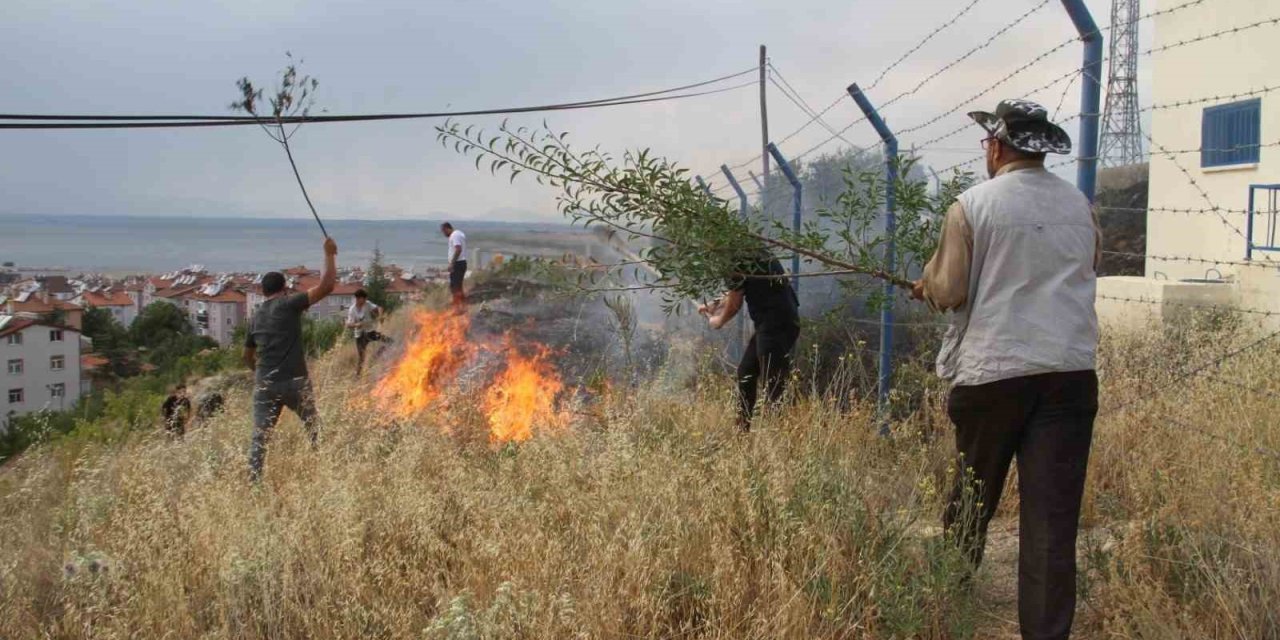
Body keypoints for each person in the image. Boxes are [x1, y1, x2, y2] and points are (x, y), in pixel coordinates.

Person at [910, 99, 1101, 640]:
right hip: (1068, 374)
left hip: (994, 372)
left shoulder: (973, 204)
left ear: (996, 146)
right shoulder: (1080, 205)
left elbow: (948, 291)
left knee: (974, 496)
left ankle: (948, 598)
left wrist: (928, 282)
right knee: (1050, 520)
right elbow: (1088, 268)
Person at [243, 237, 338, 482]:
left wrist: (260, 374)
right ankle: (325, 473)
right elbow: (327, 286)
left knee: (259, 438)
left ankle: (254, 484)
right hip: (295, 380)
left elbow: (247, 356)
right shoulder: (288, 304)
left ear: (264, 292)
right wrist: (329, 254)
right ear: (284, 289)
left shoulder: (254, 318)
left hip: (265, 383)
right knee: (314, 428)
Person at [698, 252, 800, 432]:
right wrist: (715, 305)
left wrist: (719, 320)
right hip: (773, 323)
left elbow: (736, 300)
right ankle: (741, 432)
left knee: (773, 383)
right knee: (746, 372)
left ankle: (778, 438)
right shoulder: (745, 251)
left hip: (776, 323)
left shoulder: (734, 257)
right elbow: (738, 287)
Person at [345, 288, 382, 375]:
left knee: (387, 340)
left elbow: (379, 308)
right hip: (359, 335)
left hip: (370, 332)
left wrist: (380, 315)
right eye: (363, 298)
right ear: (358, 298)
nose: (365, 300)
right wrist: (356, 325)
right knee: (362, 357)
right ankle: (358, 375)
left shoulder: (367, 304)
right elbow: (348, 325)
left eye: (365, 298)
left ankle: (380, 354)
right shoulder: (352, 310)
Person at [441, 222, 467, 307]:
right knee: (457, 285)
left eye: (443, 232)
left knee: (455, 286)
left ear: (446, 229)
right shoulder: (459, 233)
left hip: (458, 264)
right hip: (460, 263)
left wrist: (452, 263)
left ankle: (457, 306)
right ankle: (461, 304)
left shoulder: (454, 235)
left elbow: (458, 249)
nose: (444, 234)